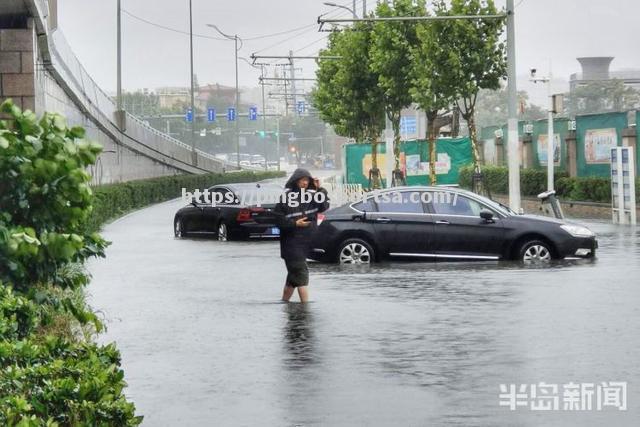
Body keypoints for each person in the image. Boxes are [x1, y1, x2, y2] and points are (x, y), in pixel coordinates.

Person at [275, 168, 330, 303]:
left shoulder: (311, 197)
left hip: (303, 245)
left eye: (307, 180)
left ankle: (284, 303)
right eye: (302, 180)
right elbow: (277, 219)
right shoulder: (286, 198)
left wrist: (320, 189)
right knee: (302, 277)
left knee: (293, 280)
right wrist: (295, 223)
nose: (305, 183)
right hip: (291, 247)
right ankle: (305, 310)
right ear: (295, 181)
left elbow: (323, 206)